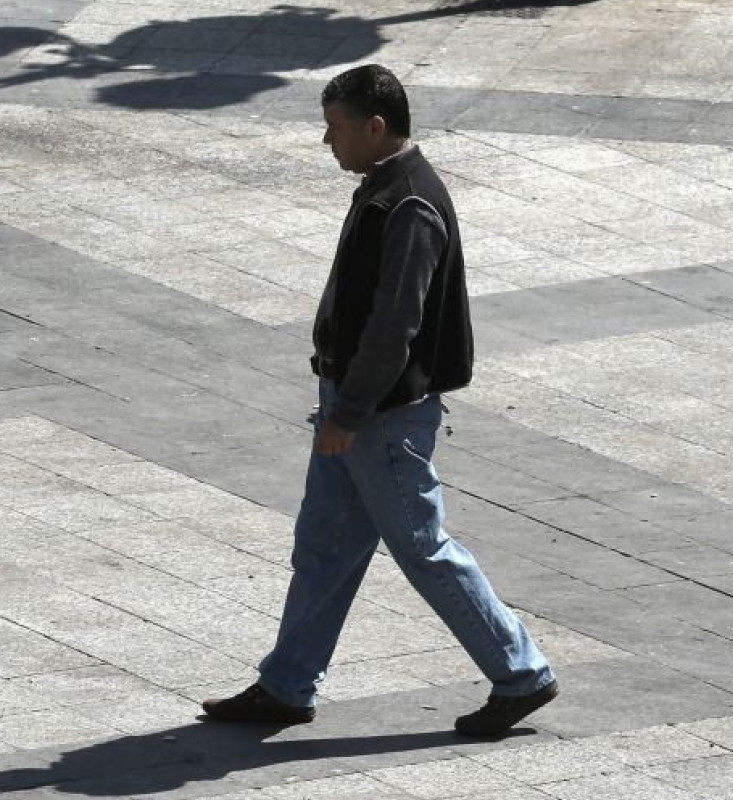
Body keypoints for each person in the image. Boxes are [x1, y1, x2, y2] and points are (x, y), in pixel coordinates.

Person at [201, 65, 557, 738]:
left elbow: (397, 326)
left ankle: (521, 673)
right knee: (324, 547)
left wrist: (348, 413)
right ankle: (285, 685)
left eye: (336, 128)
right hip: (357, 408)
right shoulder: (384, 189)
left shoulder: (410, 204)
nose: (326, 141)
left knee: (423, 549)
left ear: (375, 127)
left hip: (380, 419)